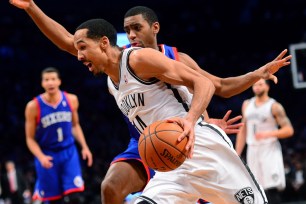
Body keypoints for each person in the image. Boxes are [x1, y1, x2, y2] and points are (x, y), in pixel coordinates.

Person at [9, 1, 292, 203]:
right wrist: (32, 7)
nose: (131, 35)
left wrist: (196, 120)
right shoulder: (111, 75)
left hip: (196, 143)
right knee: (116, 189)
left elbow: (212, 85)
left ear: (153, 28)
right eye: (127, 30)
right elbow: (69, 41)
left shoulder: (145, 58)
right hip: (158, 149)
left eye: (136, 28)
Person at [24, 67, 93, 204]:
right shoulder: (33, 106)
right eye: (47, 80)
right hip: (48, 154)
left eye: (53, 79)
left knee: (76, 197)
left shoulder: (71, 99)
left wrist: (85, 147)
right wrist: (41, 156)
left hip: (68, 151)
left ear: (59, 81)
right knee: (53, 200)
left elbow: (75, 125)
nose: (50, 83)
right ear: (42, 83)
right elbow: (30, 139)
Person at [235, 78, 294, 204]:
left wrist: (268, 134)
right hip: (252, 149)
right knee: (256, 189)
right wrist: (237, 154)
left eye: (260, 84)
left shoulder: (274, 106)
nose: (257, 86)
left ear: (267, 87)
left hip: (269, 148)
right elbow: (243, 130)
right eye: (255, 84)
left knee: (272, 188)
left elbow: (289, 130)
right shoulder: (246, 104)